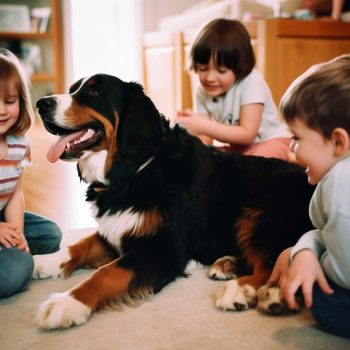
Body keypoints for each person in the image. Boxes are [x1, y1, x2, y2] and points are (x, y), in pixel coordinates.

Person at [269, 54, 350, 339]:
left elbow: (343, 274)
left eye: (297, 138)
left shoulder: (339, 183)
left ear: (338, 142)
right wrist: (304, 250)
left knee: (320, 294)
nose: (291, 148)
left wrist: (300, 260)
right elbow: (325, 234)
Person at [176, 18, 291, 161]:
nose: (210, 78)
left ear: (239, 66)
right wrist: (194, 135)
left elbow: (247, 135)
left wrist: (202, 125)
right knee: (209, 158)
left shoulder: (251, 81)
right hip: (239, 149)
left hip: (271, 141)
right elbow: (206, 137)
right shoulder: (202, 91)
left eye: (221, 70)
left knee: (255, 162)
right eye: (203, 68)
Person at [0, 48, 62, 298]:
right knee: (20, 268)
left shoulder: (19, 145)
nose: (2, 111)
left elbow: (15, 194)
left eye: (9, 101)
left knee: (51, 235)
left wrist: (16, 234)